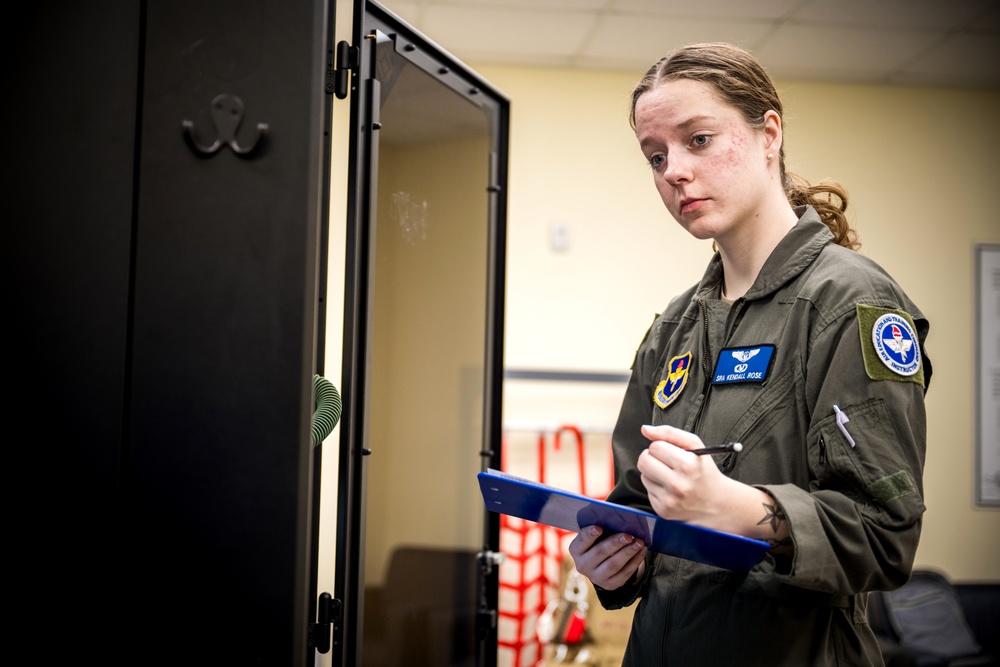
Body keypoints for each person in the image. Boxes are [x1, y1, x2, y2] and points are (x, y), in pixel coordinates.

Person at [567, 42, 931, 666]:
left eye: (698, 140)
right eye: (655, 156)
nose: (673, 170)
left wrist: (742, 510)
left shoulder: (851, 304)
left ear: (769, 134)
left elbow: (885, 535)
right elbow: (635, 507)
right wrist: (613, 565)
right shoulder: (674, 327)